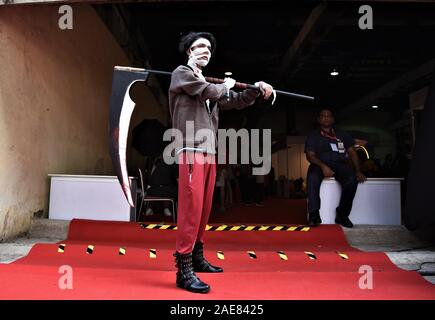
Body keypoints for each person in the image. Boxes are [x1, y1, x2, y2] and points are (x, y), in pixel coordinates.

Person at [168, 31, 273, 293]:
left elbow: (234, 102)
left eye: (208, 48)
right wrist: (226, 85)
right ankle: (183, 269)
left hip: (210, 151)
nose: (205, 50)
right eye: (199, 46)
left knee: (204, 210)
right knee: (191, 209)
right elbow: (208, 91)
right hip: (190, 147)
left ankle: (197, 256)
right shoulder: (182, 73)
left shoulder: (207, 84)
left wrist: (254, 90)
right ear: (189, 52)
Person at [305, 108, 367, 228]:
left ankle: (342, 215)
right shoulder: (313, 135)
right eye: (323, 116)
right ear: (319, 119)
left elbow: (352, 152)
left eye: (329, 116)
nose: (326, 118)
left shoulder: (342, 134)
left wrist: (358, 171)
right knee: (312, 177)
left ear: (333, 119)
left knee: (352, 180)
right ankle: (314, 214)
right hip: (319, 163)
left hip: (340, 164)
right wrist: (323, 166)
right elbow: (310, 155)